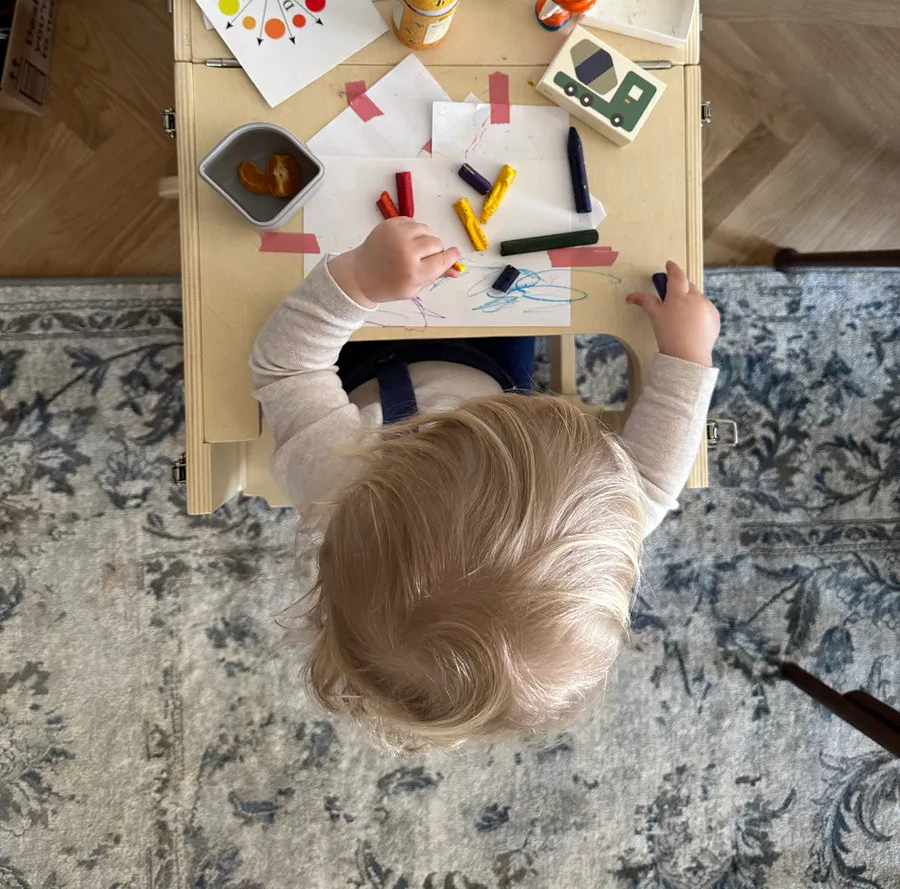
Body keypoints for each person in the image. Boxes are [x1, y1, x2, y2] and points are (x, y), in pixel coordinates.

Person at [250, 217, 720, 749]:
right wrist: (688, 357)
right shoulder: (595, 531)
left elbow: (287, 368)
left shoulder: (338, 478)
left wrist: (357, 280)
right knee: (509, 271)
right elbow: (653, 481)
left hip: (360, 356)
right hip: (495, 366)